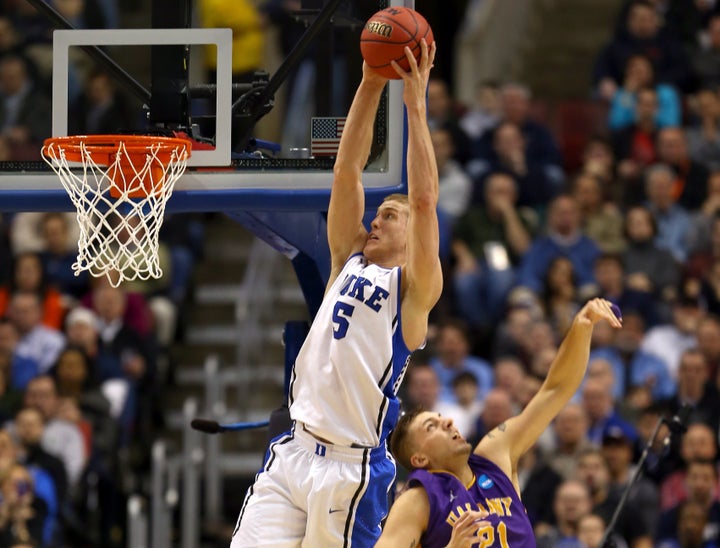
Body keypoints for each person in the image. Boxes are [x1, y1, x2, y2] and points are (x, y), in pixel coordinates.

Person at [230, 40, 442, 547]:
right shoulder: (347, 258)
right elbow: (346, 170)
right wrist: (370, 83)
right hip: (293, 451)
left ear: (412, 240)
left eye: (389, 217)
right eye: (377, 213)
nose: (375, 220)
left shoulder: (411, 292)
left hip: (351, 469)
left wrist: (414, 105)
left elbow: (424, 199)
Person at [375, 298, 622, 547]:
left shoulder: (494, 456)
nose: (448, 422)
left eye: (441, 418)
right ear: (419, 459)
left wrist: (581, 328)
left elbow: (554, 391)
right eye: (432, 427)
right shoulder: (418, 500)